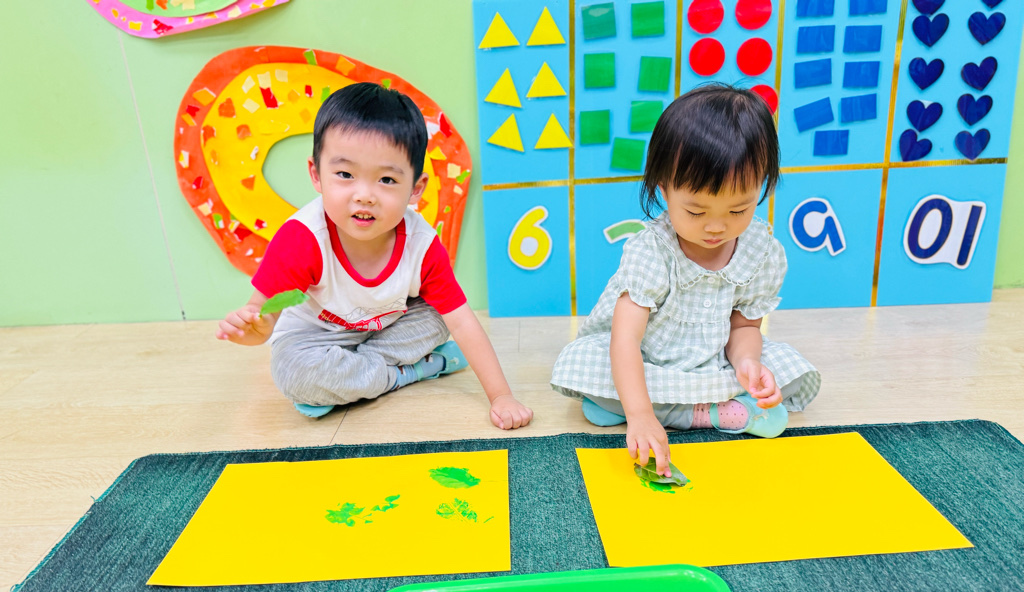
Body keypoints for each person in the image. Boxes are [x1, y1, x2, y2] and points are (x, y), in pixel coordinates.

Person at [217, 82, 533, 430]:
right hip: (318, 336)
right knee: (295, 374)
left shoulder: (422, 244)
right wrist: (255, 330)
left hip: (390, 326)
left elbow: (461, 322)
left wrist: (502, 396)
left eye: (386, 180)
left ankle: (357, 378)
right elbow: (261, 317)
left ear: (415, 189)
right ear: (316, 175)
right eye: (345, 175)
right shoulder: (302, 238)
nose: (364, 195)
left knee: (441, 317)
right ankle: (409, 372)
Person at [551, 84, 820, 474]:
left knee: (786, 370)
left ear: (761, 186)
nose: (716, 227)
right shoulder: (652, 251)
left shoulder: (760, 251)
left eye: (738, 210)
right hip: (644, 361)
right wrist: (640, 416)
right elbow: (624, 341)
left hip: (711, 361)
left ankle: (677, 410)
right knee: (585, 366)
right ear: (664, 189)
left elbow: (745, 326)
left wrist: (747, 364)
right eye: (696, 212)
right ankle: (707, 412)